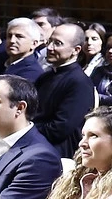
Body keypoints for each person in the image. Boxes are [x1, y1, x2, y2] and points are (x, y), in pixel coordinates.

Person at [31, 21, 97, 154]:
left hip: (57, 150)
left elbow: (60, 129)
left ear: (76, 50)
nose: (49, 47)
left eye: (57, 43)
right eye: (49, 41)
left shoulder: (79, 82)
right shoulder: (45, 77)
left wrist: (24, 131)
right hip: (37, 141)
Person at [0, 17, 46, 81]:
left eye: (19, 36)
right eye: (9, 36)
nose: (12, 40)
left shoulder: (32, 72)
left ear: (34, 44)